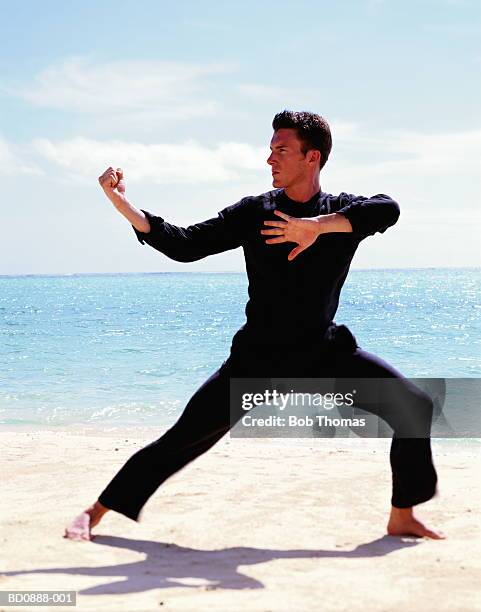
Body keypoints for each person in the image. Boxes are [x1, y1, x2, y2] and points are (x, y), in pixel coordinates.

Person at [64, 110, 445, 542]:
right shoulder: (257, 212)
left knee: (414, 406)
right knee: (185, 439)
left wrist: (316, 228)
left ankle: (402, 514)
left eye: (281, 150)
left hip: (323, 353)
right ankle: (95, 512)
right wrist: (123, 205)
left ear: (312, 157)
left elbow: (387, 209)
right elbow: (187, 245)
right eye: (270, 150)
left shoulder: (341, 213)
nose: (269, 160)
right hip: (258, 358)